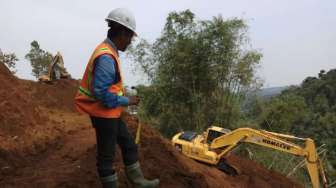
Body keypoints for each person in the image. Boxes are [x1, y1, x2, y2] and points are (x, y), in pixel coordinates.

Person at [74, 8, 160, 188]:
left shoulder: (109, 51)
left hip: (110, 113)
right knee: (106, 157)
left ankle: (139, 182)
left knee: (129, 145)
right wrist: (127, 101)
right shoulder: (106, 56)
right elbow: (103, 94)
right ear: (122, 32)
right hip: (103, 114)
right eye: (130, 37)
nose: (130, 42)